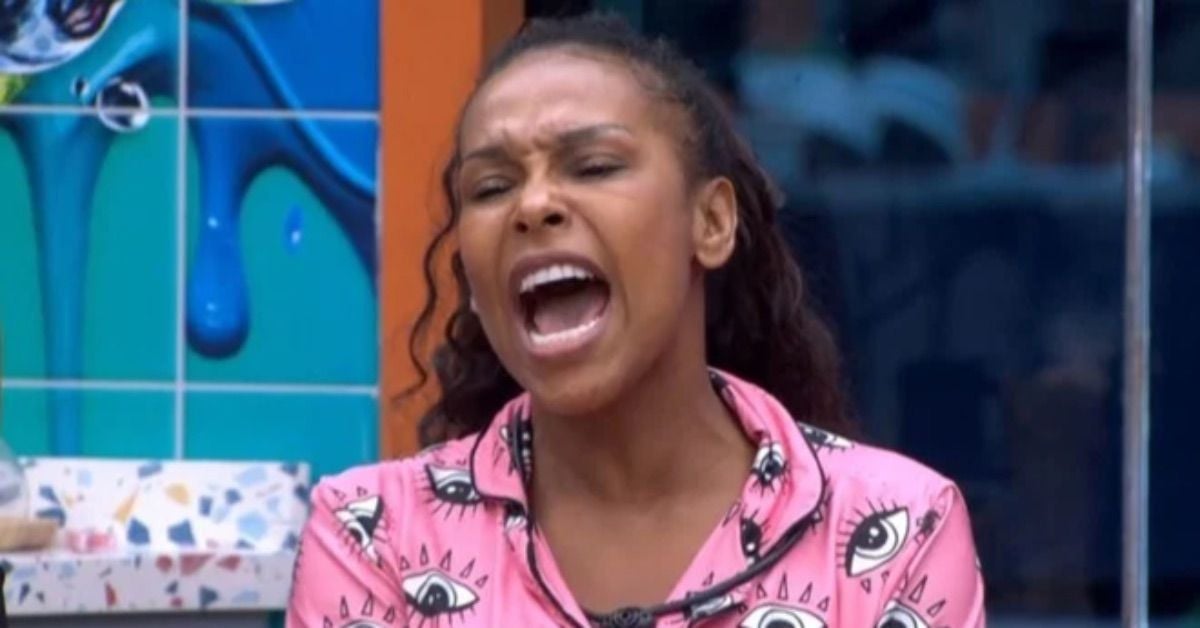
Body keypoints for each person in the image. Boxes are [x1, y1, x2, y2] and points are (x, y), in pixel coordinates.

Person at [287, 14, 984, 628]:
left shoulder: (895, 529)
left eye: (592, 166)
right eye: (492, 187)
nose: (532, 205)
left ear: (711, 223)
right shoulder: (373, 538)